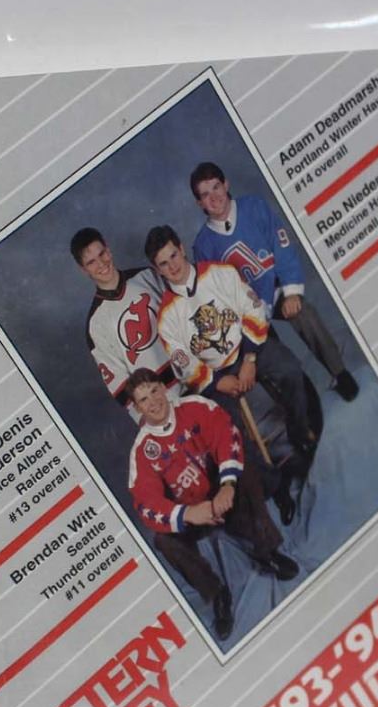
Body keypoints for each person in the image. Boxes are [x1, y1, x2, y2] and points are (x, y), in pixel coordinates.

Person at [144, 225, 321, 522]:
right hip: (216, 374)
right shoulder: (166, 316)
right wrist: (217, 381)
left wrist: (250, 359)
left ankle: (299, 431)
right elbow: (186, 365)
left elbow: (253, 311)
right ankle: (275, 486)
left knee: (289, 369)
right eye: (163, 263)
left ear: (182, 249)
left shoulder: (220, 273)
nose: (172, 266)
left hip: (249, 348)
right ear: (156, 269)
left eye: (173, 255)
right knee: (228, 430)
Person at [124, 369, 297, 641]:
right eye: (144, 399)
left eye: (155, 391)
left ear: (163, 388)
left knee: (244, 470)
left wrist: (227, 484)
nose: (153, 401)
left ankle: (267, 551)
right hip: (193, 515)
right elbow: (146, 504)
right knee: (162, 540)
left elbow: (227, 434)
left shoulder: (195, 406)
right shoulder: (141, 451)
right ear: (137, 409)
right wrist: (188, 514)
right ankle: (217, 595)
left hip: (221, 495)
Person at [189, 161, 358, 401]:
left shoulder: (254, 207)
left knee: (304, 313)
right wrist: (245, 330)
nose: (214, 197)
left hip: (276, 290)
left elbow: (282, 247)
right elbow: (217, 296)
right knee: (260, 355)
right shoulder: (203, 245)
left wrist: (291, 291)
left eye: (216, 187)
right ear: (199, 203)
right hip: (246, 311)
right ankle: (301, 402)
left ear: (226, 184)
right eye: (206, 195)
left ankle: (340, 374)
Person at [72, 227, 178, 419]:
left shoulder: (147, 276)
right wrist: (148, 422)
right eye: (91, 262)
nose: (101, 263)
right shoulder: (96, 324)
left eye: (102, 254)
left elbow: (182, 315)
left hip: (196, 375)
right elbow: (121, 386)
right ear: (83, 269)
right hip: (163, 405)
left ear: (108, 250)